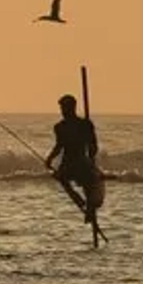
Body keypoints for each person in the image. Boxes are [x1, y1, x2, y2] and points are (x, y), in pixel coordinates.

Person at [45, 93, 101, 223]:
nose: (63, 111)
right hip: (69, 163)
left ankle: (88, 208)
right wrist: (49, 158)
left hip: (80, 161)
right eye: (62, 108)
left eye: (65, 108)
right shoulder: (60, 127)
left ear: (72, 108)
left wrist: (92, 159)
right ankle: (80, 201)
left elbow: (93, 145)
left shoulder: (85, 124)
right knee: (60, 176)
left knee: (88, 183)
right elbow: (59, 146)